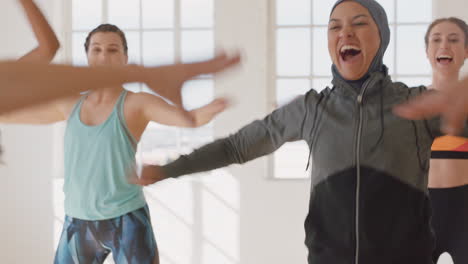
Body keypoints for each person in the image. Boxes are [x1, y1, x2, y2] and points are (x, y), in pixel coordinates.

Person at [132, 1, 468, 263]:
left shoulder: (417, 104)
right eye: (334, 27)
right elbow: (236, 147)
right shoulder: (311, 109)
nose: (345, 33)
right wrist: (169, 168)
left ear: (381, 37)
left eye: (359, 23)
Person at [0, 23, 239, 264]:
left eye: (113, 50)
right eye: (97, 49)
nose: (104, 56)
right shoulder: (68, 103)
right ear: (88, 56)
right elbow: (8, 113)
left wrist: (216, 106)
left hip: (127, 220)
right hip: (78, 221)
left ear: (125, 58)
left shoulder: (137, 103)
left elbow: (192, 119)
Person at [423, 17, 468, 264]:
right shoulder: (411, 102)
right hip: (421, 210)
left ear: (466, 51)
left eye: (454, 40)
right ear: (427, 51)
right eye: (436, 39)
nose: (444, 45)